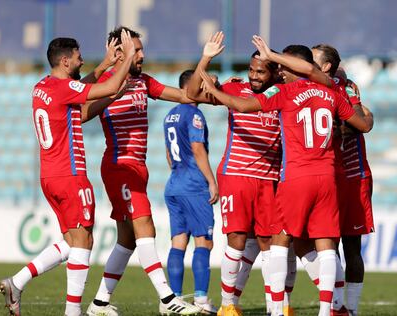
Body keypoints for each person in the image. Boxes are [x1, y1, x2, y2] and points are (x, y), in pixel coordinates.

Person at [198, 35, 372, 316]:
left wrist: (215, 91)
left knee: (279, 239)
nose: (280, 72)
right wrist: (367, 115)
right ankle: (329, 310)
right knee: (327, 244)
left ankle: (277, 310)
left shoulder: (286, 93)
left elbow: (242, 106)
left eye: (284, 68)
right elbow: (362, 125)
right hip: (327, 177)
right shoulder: (333, 93)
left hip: (296, 176)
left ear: (296, 68)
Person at [0, 30, 136, 316]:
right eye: (78, 57)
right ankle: (72, 312)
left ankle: (17, 282)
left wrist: (104, 65)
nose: (82, 60)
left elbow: (78, 98)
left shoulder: (44, 87)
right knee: (84, 240)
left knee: (73, 241)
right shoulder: (63, 89)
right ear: (64, 61)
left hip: (49, 177)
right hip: (70, 175)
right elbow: (107, 89)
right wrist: (127, 58)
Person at [85, 26, 201, 316]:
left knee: (127, 239)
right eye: (136, 50)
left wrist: (208, 75)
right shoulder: (107, 83)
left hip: (138, 167)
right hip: (120, 165)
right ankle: (167, 299)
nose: (143, 55)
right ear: (120, 53)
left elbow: (186, 96)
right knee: (145, 227)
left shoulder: (143, 82)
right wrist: (114, 93)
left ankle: (99, 303)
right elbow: (83, 113)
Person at [187, 32, 288, 316]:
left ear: (274, 72)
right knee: (238, 240)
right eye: (251, 70)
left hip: (269, 179)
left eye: (260, 71)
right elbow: (192, 93)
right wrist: (206, 58)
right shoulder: (235, 89)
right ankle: (228, 304)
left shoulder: (282, 95)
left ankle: (275, 307)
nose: (254, 76)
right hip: (237, 174)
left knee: (270, 242)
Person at [312, 45, 374, 316]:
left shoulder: (346, 88)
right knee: (326, 244)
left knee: (350, 245)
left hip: (353, 176)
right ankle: (335, 305)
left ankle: (352, 309)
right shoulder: (313, 89)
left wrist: (335, 124)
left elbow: (359, 123)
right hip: (326, 176)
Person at [163, 69, 219, 314]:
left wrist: (178, 174)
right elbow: (197, 148)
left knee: (178, 242)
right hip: (194, 185)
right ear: (190, 87)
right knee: (203, 242)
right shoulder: (194, 114)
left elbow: (168, 152)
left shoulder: (169, 115)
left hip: (174, 183)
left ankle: (172, 300)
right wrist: (211, 181)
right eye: (203, 85)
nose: (206, 89)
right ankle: (201, 300)